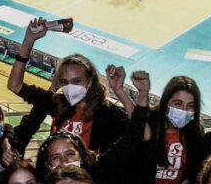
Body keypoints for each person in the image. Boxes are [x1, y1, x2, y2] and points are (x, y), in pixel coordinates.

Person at [8, 25, 128, 153]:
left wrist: (120, 91)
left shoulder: (107, 113)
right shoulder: (57, 103)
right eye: (64, 82)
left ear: (90, 81)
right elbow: (15, 86)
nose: (70, 87)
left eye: (76, 81)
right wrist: (28, 40)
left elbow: (141, 130)